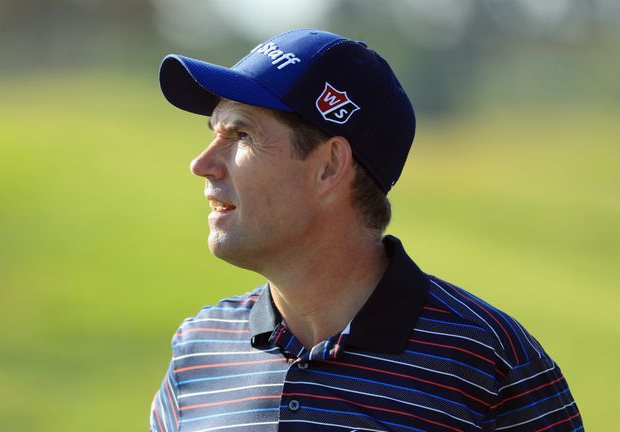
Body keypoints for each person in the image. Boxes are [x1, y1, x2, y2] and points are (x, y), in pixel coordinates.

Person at [150, 29, 582, 432]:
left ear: (330, 166)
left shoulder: (487, 367)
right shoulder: (198, 351)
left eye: (241, 134)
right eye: (214, 133)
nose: (201, 164)